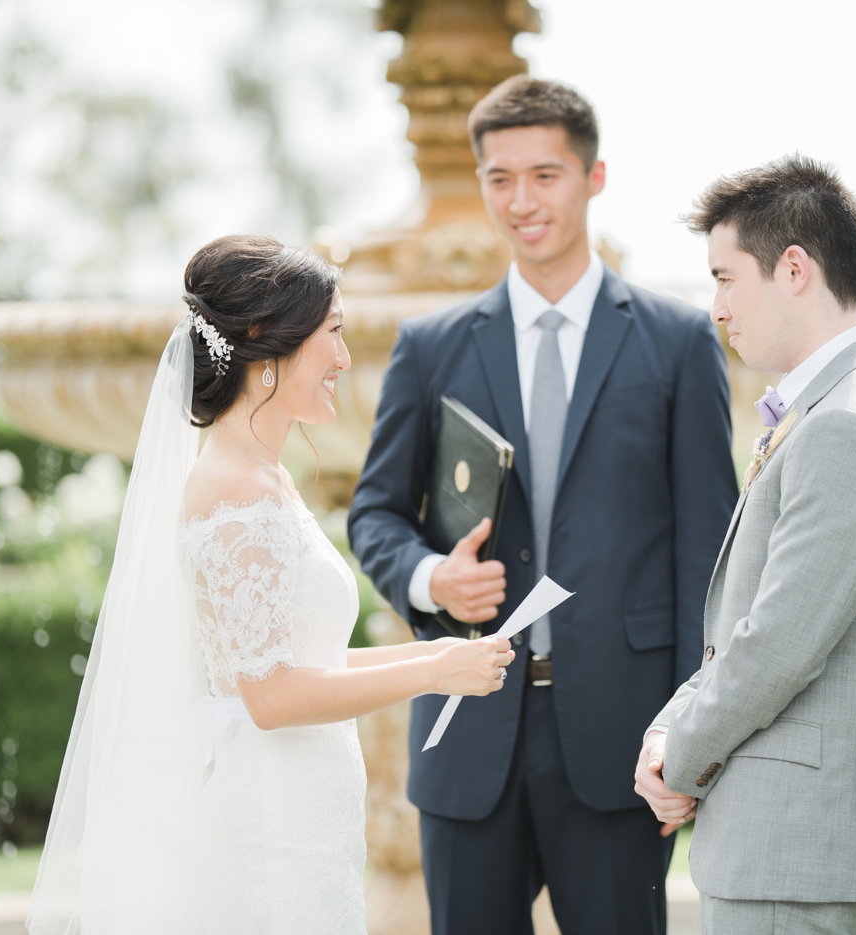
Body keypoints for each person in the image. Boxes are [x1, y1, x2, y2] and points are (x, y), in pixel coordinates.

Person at [27, 235, 514, 935]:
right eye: (333, 334)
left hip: (307, 813)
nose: (344, 359)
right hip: (271, 821)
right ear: (264, 340)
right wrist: (433, 668)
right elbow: (273, 696)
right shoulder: (232, 491)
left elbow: (297, 664)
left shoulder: (266, 479)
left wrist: (440, 664)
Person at [348, 78, 737, 935]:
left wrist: (691, 731)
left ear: (594, 177)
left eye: (545, 175)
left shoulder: (677, 344)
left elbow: (708, 556)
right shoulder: (431, 346)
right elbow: (374, 513)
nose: (520, 201)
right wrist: (428, 580)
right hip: (466, 726)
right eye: (499, 178)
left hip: (622, 737)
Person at [633, 156, 856, 935]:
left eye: (726, 277)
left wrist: (678, 756)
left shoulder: (847, 424)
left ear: (795, 269)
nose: (716, 308)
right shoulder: (847, 401)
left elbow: (778, 645)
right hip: (785, 837)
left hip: (790, 843)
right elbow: (752, 622)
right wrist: (670, 725)